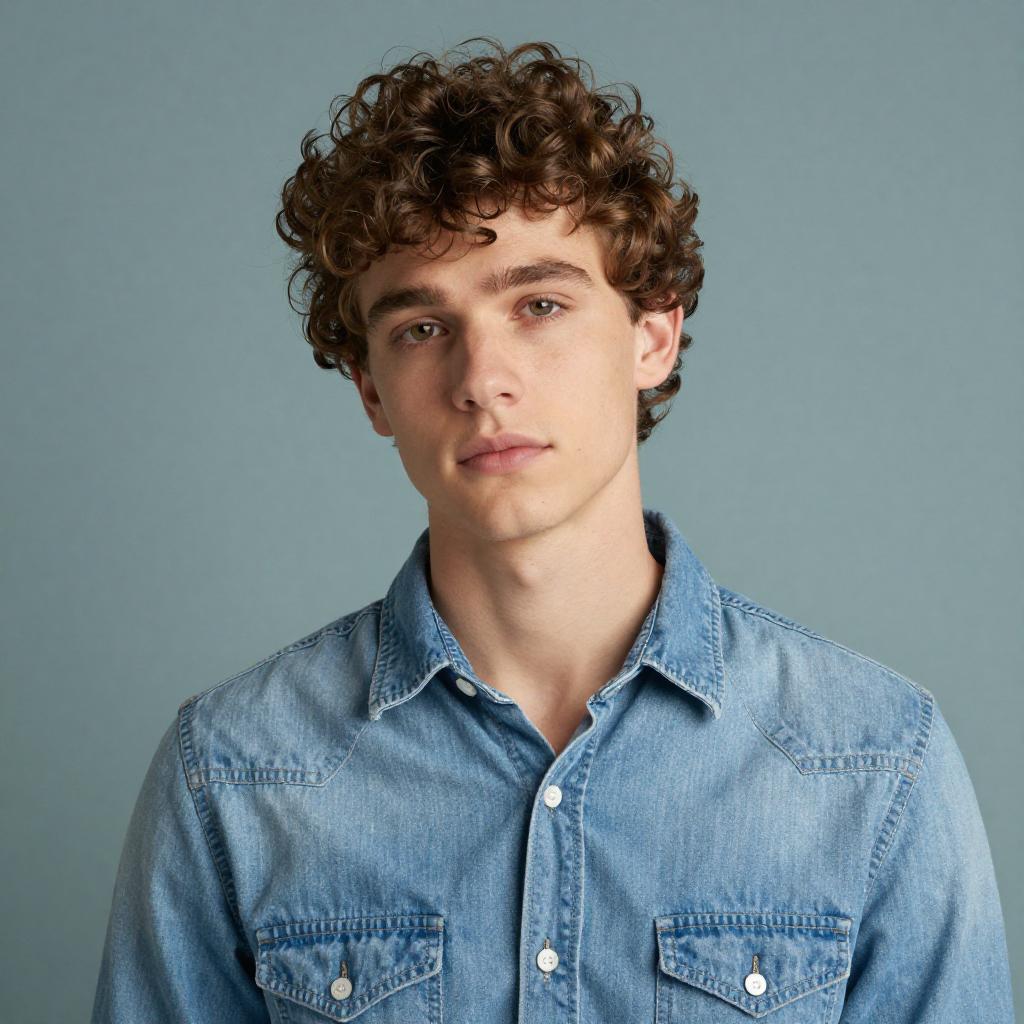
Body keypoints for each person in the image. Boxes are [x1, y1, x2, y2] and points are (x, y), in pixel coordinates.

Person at [91, 37, 1014, 1022]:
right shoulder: (233, 769)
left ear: (650, 333)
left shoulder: (872, 759)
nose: (482, 377)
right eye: (419, 326)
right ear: (370, 389)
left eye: (538, 303)